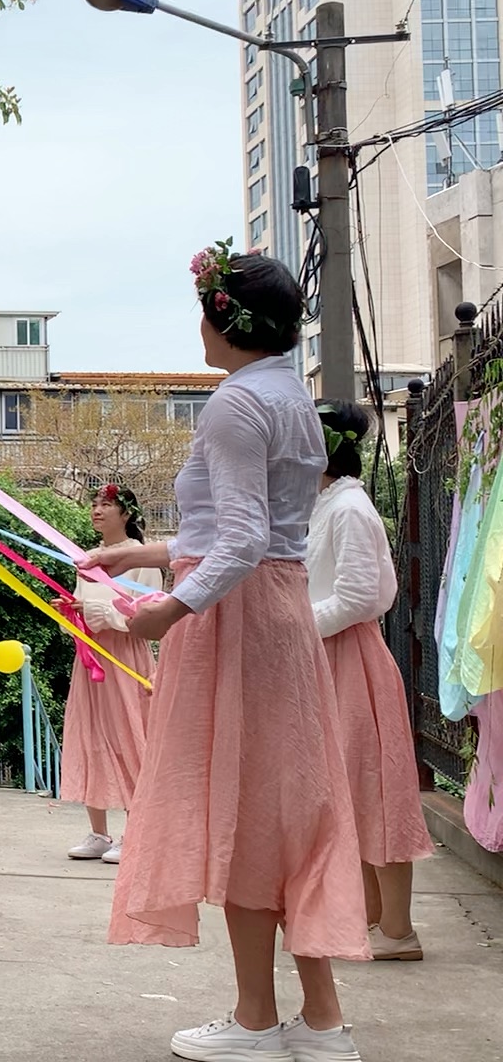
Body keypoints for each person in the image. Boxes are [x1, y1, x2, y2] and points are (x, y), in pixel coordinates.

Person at [88, 244, 368, 1062]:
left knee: (249, 817)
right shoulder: (291, 400)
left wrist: (161, 614)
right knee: (293, 813)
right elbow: (253, 534)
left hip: (237, 623)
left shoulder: (234, 408)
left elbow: (240, 539)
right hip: (274, 611)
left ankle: (254, 1021)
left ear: (226, 319)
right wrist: (144, 557)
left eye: (205, 310)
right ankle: (320, 1022)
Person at [308, 400, 434, 961]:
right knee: (348, 791)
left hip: (350, 657)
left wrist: (295, 625)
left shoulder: (350, 509)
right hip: (329, 657)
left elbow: (361, 598)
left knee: (372, 790)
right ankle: (373, 918)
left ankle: (398, 930)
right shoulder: (326, 504)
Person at [58, 484, 162, 865]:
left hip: (124, 658)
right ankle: (99, 831)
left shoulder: (142, 556)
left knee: (130, 735)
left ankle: (136, 830)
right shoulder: (87, 559)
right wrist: (74, 612)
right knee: (90, 733)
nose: (97, 510)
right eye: (95, 503)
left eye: (107, 504)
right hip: (90, 657)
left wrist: (113, 619)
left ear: (127, 514)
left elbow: (151, 610)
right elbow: (84, 601)